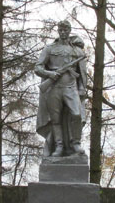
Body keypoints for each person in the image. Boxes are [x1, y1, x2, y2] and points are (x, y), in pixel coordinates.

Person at [35, 21, 87, 157]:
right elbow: (38, 68)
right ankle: (59, 146)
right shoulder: (49, 49)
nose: (63, 32)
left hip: (71, 88)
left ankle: (75, 143)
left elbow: (82, 73)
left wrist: (82, 88)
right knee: (55, 119)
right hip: (54, 87)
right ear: (58, 31)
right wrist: (50, 74)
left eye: (65, 30)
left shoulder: (77, 51)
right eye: (61, 30)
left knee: (77, 114)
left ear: (69, 31)